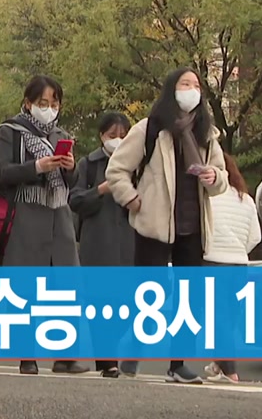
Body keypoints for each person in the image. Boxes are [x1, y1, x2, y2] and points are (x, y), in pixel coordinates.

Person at [105, 68, 228, 384]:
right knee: (151, 294)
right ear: (172, 89)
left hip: (192, 225)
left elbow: (221, 177)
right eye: (185, 84)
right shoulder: (150, 129)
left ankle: (178, 364)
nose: (192, 90)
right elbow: (117, 170)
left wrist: (214, 177)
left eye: (196, 85)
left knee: (190, 298)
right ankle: (133, 348)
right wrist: (132, 199)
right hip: (154, 224)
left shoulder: (206, 133)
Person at [0, 75, 88, 376]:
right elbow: (2, 173)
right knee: (24, 288)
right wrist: (36, 167)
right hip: (25, 215)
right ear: (28, 103)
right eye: (42, 103)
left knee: (65, 285)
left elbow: (71, 182)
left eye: (54, 104)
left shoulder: (61, 134)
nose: (49, 109)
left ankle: (65, 355)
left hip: (59, 215)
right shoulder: (10, 131)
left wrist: (70, 167)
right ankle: (27, 355)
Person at [68, 111, 134, 378]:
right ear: (101, 136)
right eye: (112, 135)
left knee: (128, 306)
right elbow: (75, 200)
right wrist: (101, 189)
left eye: (123, 136)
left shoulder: (136, 165)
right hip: (97, 243)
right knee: (100, 305)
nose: (117, 140)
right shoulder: (89, 164)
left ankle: (111, 354)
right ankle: (107, 362)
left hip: (128, 243)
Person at [202, 153, 262, 384]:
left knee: (217, 319)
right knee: (229, 319)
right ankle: (219, 365)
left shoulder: (208, 197)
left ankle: (230, 372)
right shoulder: (246, 200)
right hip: (239, 265)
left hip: (212, 261)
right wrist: (239, 250)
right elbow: (255, 237)